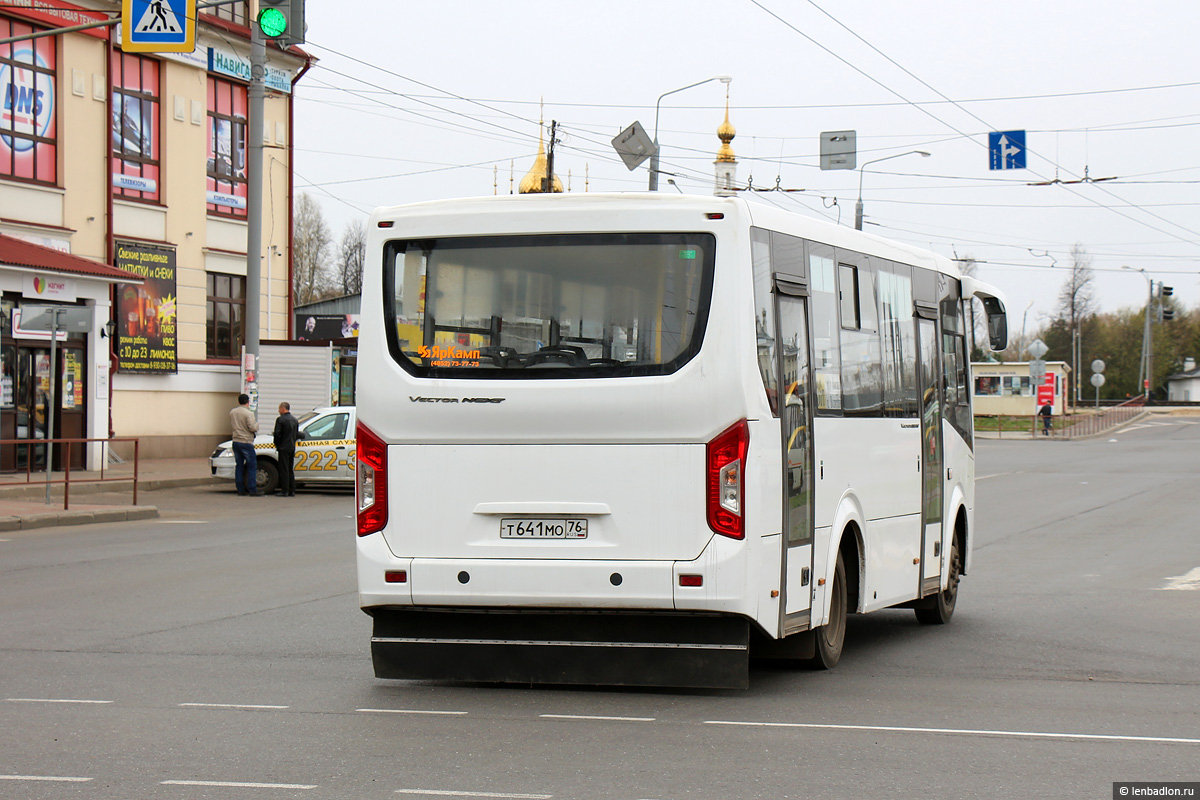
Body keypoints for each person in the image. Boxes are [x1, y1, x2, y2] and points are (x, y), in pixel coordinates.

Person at [230, 393, 259, 496]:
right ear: (248, 402)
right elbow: (252, 428)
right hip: (246, 441)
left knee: (239, 466)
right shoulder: (249, 414)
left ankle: (240, 489)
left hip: (236, 440)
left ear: (238, 401)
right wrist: (257, 424)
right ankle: (252, 489)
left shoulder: (233, 412)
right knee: (251, 466)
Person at [272, 401, 300, 497]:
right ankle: (292, 489)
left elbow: (277, 434)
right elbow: (296, 434)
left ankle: (285, 490)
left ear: (283, 409)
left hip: (283, 447)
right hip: (291, 446)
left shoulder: (280, 420)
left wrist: (277, 444)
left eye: (279, 408)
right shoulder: (295, 420)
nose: (278, 410)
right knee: (290, 468)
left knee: (283, 469)